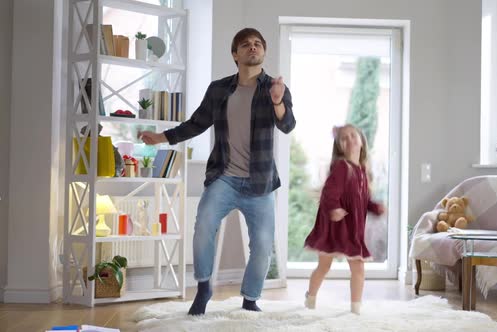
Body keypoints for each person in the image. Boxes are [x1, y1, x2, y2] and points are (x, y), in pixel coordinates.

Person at [138, 27, 296, 315]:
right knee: (202, 228)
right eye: (246, 44)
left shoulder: (275, 88)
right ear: (235, 54)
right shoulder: (219, 89)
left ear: (264, 51)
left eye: (258, 44)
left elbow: (287, 126)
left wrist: (277, 101)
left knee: (262, 246)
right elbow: (197, 123)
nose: (253, 47)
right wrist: (162, 138)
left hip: (259, 182)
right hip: (224, 177)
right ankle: (203, 288)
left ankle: (250, 299)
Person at [303, 124, 385, 315]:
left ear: (362, 142)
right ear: (339, 146)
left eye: (352, 136)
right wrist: (334, 208)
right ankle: (310, 297)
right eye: (343, 138)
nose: (349, 140)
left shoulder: (362, 171)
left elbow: (362, 200)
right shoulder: (342, 167)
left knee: (358, 267)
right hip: (334, 228)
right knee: (324, 266)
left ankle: (355, 309)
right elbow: (330, 192)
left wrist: (374, 207)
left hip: (351, 230)